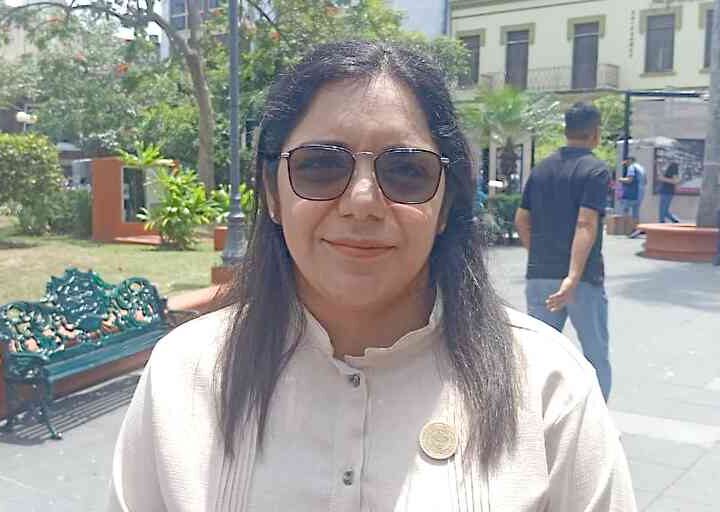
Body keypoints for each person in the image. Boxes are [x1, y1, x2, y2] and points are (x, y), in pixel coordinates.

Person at [108, 42, 635, 511]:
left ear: (446, 203)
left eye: (405, 171)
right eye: (320, 166)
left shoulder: (549, 386)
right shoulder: (184, 376)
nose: (362, 202)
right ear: (272, 193)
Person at [515, 102, 612, 402]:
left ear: (566, 130)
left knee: (539, 354)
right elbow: (586, 222)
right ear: (594, 132)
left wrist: (538, 254)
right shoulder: (595, 170)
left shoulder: (541, 169)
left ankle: (537, 417)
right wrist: (572, 276)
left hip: (540, 274)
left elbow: (521, 219)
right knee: (595, 355)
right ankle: (596, 421)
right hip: (582, 279)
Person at [618, 156, 644, 223]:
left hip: (631, 194)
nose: (625, 164)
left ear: (630, 160)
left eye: (626, 161)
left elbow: (629, 180)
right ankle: (635, 227)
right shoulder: (641, 168)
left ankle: (624, 226)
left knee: (624, 210)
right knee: (635, 214)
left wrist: (620, 179)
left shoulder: (631, 167)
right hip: (640, 195)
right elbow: (645, 181)